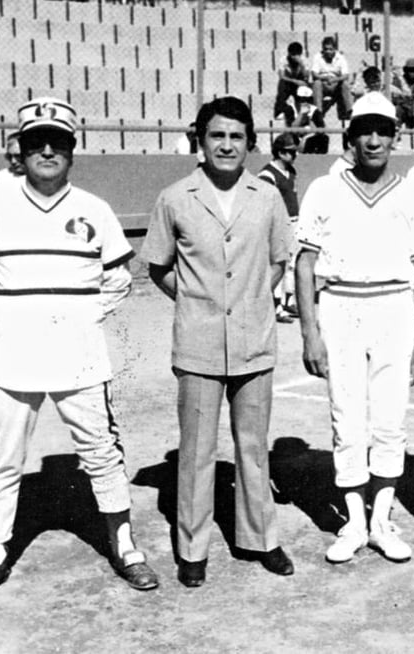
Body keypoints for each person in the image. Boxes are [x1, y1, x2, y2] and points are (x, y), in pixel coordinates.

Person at [0, 97, 159, 600]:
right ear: (20, 151)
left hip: (80, 356)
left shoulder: (94, 209)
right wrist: (11, 315)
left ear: (72, 149)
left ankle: (125, 545)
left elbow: (117, 278)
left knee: (101, 452)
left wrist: (82, 316)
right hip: (13, 358)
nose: (47, 150)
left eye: (59, 142)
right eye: (35, 142)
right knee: (5, 459)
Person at [142, 96, 294, 588]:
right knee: (198, 449)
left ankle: (261, 539)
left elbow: (277, 261)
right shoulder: (175, 197)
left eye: (236, 136)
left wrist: (249, 300)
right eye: (217, 136)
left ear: (250, 143)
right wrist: (196, 302)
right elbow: (159, 267)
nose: (226, 145)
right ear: (200, 141)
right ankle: (193, 548)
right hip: (200, 343)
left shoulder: (266, 196)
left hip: (254, 340)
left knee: (253, 446)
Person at [295, 92, 414, 565]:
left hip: (394, 309)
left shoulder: (412, 194)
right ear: (349, 136)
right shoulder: (324, 190)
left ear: (396, 137)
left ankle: (381, 521)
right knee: (346, 419)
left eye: (383, 131)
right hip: (340, 307)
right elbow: (305, 261)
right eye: (364, 130)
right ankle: (353, 522)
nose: (373, 140)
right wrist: (309, 330)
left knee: (390, 421)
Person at [258, 132, 300, 322]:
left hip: (293, 221)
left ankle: (289, 300)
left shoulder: (291, 172)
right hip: (277, 223)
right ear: (280, 153)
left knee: (292, 263)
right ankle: (276, 307)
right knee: (279, 263)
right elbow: (264, 203)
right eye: (291, 152)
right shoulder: (267, 174)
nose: (294, 156)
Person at [311, 36, 353, 121]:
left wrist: (335, 80)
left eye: (330, 49)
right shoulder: (318, 57)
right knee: (316, 83)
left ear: (335, 49)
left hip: (336, 84)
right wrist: (324, 78)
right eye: (326, 49)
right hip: (324, 83)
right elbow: (314, 74)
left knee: (345, 84)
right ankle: (318, 112)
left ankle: (349, 111)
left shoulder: (340, 58)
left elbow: (346, 75)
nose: (328, 51)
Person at [274, 42, 310, 121]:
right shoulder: (284, 60)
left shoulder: (304, 60)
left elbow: (306, 76)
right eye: (292, 55)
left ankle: (304, 114)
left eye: (296, 55)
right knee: (282, 84)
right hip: (289, 82)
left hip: (299, 82)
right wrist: (294, 81)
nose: (294, 57)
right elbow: (282, 76)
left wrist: (301, 64)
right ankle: (279, 112)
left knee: (305, 88)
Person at [289, 87, 329, 155]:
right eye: (302, 99)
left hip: (309, 137)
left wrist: (306, 137)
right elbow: (292, 129)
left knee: (324, 138)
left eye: (308, 99)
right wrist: (301, 114)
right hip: (293, 138)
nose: (305, 102)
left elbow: (322, 129)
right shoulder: (290, 109)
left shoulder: (314, 110)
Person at [391, 57, 414, 129]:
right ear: (406, 70)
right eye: (410, 70)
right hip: (402, 110)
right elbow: (395, 98)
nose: (413, 73)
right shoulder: (398, 81)